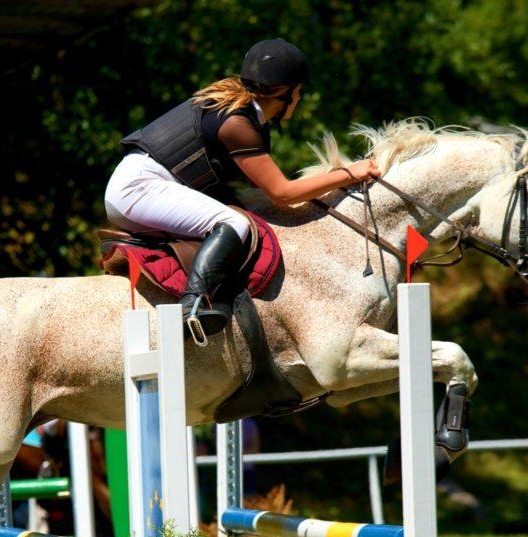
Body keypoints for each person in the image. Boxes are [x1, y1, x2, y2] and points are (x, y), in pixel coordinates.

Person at [106, 38, 380, 339]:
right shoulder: (237, 124)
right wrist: (348, 174)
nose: (300, 97)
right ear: (284, 92)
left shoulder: (244, 114)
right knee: (233, 222)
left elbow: (266, 188)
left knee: (238, 215)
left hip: (140, 186)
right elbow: (282, 193)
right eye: (299, 91)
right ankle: (192, 306)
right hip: (140, 189)